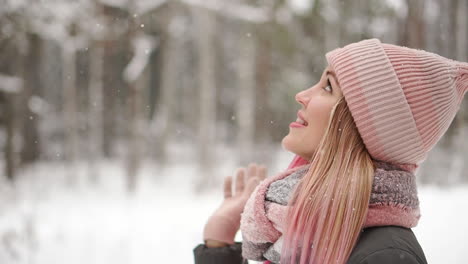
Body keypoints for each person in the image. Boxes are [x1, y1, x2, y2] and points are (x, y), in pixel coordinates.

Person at [193, 38, 468, 264]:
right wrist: (219, 242)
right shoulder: (302, 231)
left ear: (363, 125)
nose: (302, 94)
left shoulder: (384, 256)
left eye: (327, 86)